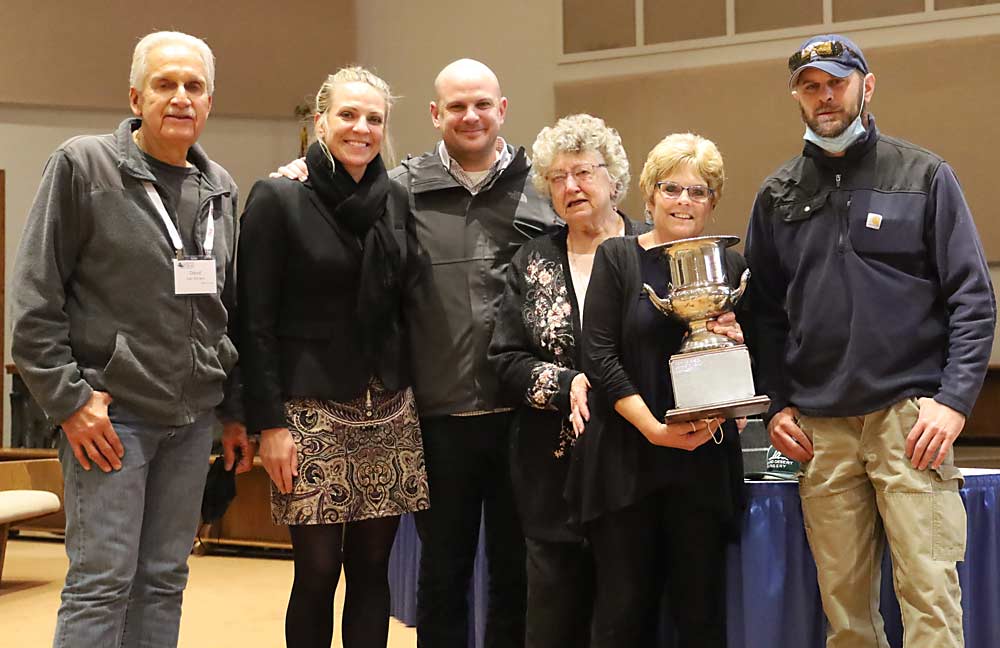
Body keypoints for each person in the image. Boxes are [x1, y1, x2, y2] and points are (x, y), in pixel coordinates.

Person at [273, 58, 560, 647]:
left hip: (522, 412)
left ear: (502, 110)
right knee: (443, 575)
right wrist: (304, 172)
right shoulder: (397, 188)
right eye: (456, 106)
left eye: (483, 103)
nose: (471, 116)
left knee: (517, 572)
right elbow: (336, 200)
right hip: (437, 413)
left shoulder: (545, 187)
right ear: (435, 116)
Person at [745, 34, 995, 648]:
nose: (824, 96)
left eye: (836, 82)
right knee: (846, 616)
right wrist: (776, 402)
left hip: (910, 420)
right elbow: (762, 316)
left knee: (931, 599)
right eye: (810, 86)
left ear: (866, 85)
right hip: (820, 431)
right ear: (797, 97)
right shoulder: (777, 195)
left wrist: (955, 399)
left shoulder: (925, 175)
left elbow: (971, 295)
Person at [11, 31, 248, 648]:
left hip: (192, 421)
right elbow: (35, 298)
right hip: (113, 421)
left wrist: (230, 409)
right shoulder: (82, 165)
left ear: (210, 101)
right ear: (136, 96)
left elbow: (224, 309)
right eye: (165, 84)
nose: (180, 98)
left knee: (165, 578)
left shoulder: (217, 185)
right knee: (102, 582)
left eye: (194, 86)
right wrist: (69, 402)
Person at [237, 67, 429, 648]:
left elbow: (408, 298)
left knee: (372, 573)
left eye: (374, 118)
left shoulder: (395, 197)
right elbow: (255, 321)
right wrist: (269, 423)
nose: (361, 128)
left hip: (388, 407)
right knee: (317, 573)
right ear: (320, 121)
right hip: (308, 410)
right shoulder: (279, 196)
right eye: (348, 115)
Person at [575, 132, 746, 648]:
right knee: (624, 619)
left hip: (704, 464)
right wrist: (654, 429)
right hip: (628, 461)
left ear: (713, 202)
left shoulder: (732, 268)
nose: (684, 201)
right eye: (672, 189)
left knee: (701, 619)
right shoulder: (617, 258)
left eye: (698, 191)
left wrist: (740, 345)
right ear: (649, 195)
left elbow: (753, 361)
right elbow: (598, 357)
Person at [488, 114, 645, 648]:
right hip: (551, 473)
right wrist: (566, 384)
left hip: (637, 469)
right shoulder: (531, 261)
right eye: (557, 177)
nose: (571, 187)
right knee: (552, 624)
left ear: (614, 179)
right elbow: (505, 360)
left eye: (583, 172)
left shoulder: (653, 252)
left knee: (624, 622)